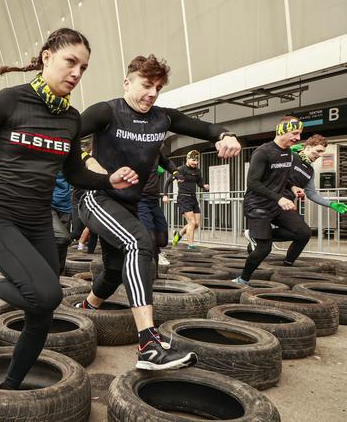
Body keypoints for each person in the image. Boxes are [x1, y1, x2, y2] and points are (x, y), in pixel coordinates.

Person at [0, 28, 138, 390]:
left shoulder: (70, 119)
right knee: (48, 294)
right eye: (71, 61)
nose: (76, 73)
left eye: (83, 68)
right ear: (46, 56)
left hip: (38, 221)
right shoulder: (7, 101)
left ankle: (10, 386)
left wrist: (107, 180)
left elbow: (73, 172)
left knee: (42, 310)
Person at [76, 54, 241, 370]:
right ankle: (149, 345)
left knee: (114, 272)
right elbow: (68, 139)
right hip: (95, 196)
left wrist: (225, 135)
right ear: (128, 83)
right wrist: (90, 163)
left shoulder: (162, 118)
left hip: (127, 203)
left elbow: (204, 126)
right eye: (145, 85)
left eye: (157, 88)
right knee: (140, 243)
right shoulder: (106, 111)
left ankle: (87, 306)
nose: (151, 93)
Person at [231, 117, 308, 284]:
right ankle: (243, 279)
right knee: (264, 249)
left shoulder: (289, 153)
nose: (298, 138)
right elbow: (252, 182)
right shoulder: (262, 152)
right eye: (294, 133)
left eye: (299, 134)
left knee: (303, 233)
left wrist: (294, 187)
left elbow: (283, 177)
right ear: (282, 131)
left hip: (276, 204)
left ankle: (283, 262)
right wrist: (279, 197)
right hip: (257, 205)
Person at [241, 133, 347, 253]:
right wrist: (288, 151)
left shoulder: (310, 172)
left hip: (286, 205)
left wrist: (331, 204)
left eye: (322, 152)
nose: (320, 155)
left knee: (303, 233)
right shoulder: (290, 157)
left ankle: (285, 262)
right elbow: (272, 157)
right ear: (307, 147)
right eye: (318, 151)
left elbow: (311, 194)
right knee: (263, 245)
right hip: (268, 200)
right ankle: (257, 238)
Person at [138, 153, 178, 268]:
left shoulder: (155, 151)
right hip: (140, 200)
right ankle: (152, 273)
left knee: (162, 240)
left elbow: (166, 162)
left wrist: (175, 172)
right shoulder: (132, 149)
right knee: (151, 240)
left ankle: (154, 250)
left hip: (154, 201)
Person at [166, 150, 209, 249]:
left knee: (196, 224)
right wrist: (165, 195)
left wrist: (204, 186)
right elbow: (168, 181)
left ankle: (178, 235)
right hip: (183, 198)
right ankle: (191, 245)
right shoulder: (181, 169)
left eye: (197, 161)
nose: (195, 163)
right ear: (188, 159)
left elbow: (199, 183)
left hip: (193, 198)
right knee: (192, 223)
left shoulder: (198, 171)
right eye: (193, 160)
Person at [52, 172, 72, 274]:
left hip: (66, 206)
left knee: (63, 245)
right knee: (63, 237)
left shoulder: (70, 160)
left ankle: (59, 274)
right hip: (48, 204)